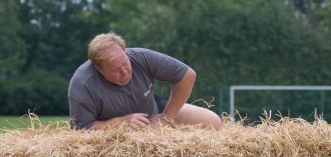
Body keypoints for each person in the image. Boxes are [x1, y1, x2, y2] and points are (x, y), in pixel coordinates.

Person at [68, 32, 222, 130]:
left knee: (213, 122)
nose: (124, 71)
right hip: (116, 132)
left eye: (125, 63)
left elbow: (187, 75)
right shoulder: (82, 84)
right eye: (116, 69)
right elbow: (82, 129)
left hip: (154, 114)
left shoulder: (141, 57)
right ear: (99, 68)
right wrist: (120, 123)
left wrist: (166, 118)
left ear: (125, 51)